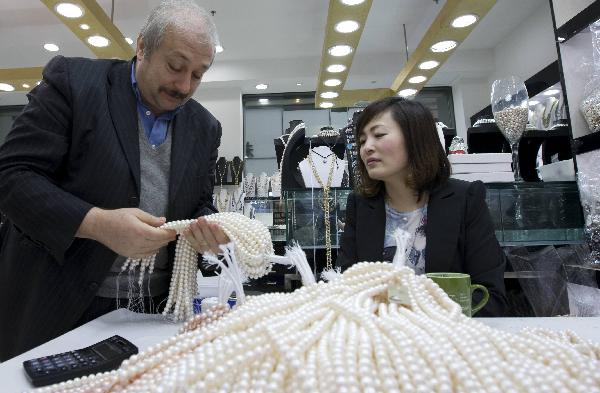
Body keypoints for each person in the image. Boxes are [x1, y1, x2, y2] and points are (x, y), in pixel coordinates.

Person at [0, 0, 230, 361]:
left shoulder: (205, 127)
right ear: (142, 47)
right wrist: (96, 224)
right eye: (175, 66)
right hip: (61, 307)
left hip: (156, 313)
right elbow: (13, 176)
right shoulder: (74, 85)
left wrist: (210, 229)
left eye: (198, 74)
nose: (185, 85)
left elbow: (199, 202)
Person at [336, 97, 508, 317]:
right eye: (361, 141)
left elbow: (490, 295)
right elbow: (349, 290)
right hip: (381, 338)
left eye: (378, 135)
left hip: (448, 339)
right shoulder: (360, 206)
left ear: (415, 138)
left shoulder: (465, 199)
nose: (367, 148)